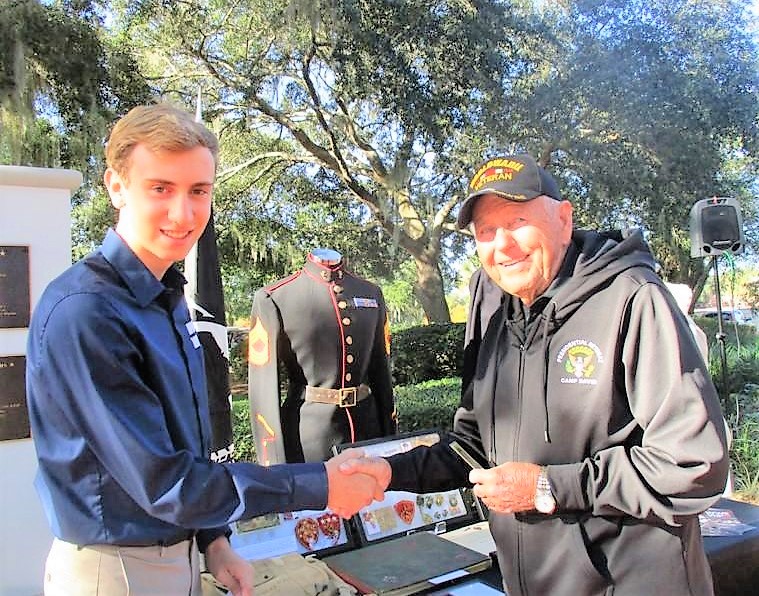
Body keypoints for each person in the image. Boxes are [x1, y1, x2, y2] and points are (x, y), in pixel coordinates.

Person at [25, 104, 387, 596]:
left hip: (176, 553)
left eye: (199, 191)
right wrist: (320, 484)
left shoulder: (165, 298)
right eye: (161, 189)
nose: (184, 213)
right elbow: (165, 482)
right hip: (117, 571)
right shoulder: (88, 312)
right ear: (116, 187)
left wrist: (214, 540)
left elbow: (184, 443)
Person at [341, 154, 729, 595]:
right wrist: (389, 472)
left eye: (518, 220)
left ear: (564, 220)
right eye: (486, 231)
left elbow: (693, 463)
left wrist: (550, 486)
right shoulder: (491, 306)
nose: (502, 245)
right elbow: (472, 447)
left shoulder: (633, 298)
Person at [248, 247, 396, 464]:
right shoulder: (274, 298)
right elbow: (263, 388)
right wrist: (273, 464)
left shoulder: (371, 293)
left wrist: (390, 437)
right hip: (308, 437)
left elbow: (381, 371)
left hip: (368, 430)